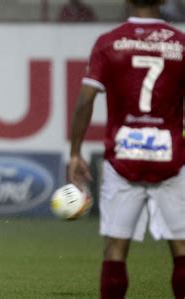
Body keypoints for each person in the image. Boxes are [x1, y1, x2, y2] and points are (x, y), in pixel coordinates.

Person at [67, 0, 184, 298]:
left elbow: (84, 101)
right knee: (181, 248)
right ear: (163, 1)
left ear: (127, 0)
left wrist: (75, 152)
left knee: (115, 249)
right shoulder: (181, 45)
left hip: (123, 158)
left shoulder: (109, 43)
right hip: (170, 157)